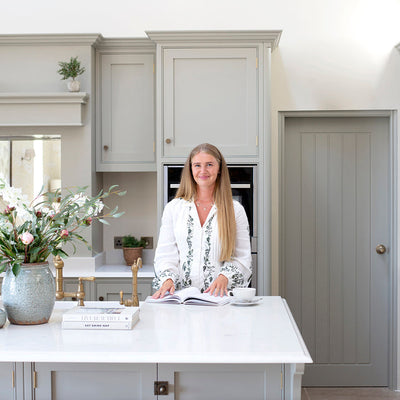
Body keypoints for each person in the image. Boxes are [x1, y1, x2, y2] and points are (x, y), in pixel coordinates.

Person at [152, 143, 252, 299]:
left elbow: (242, 257)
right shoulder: (173, 209)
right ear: (190, 169)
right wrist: (168, 279)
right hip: (181, 300)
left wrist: (224, 277)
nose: (203, 171)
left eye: (209, 165)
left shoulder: (235, 210)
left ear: (219, 169)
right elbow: (165, 255)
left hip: (220, 300)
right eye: (197, 165)